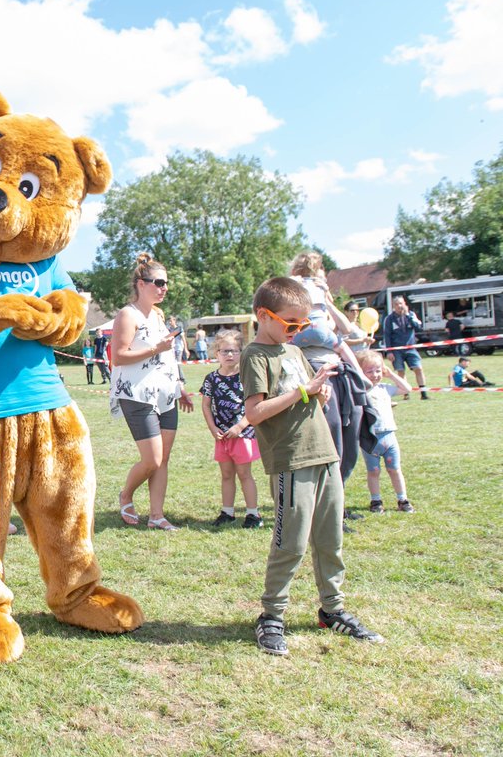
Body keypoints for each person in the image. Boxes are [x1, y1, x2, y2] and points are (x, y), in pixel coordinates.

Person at [242, 277, 384, 656]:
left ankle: (332, 609)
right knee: (290, 543)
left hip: (325, 455)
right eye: (291, 324)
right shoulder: (255, 355)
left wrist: (319, 393)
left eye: (302, 325)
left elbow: (309, 403)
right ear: (263, 316)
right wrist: (303, 391)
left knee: (330, 539)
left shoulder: (293, 352)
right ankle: (271, 616)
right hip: (291, 459)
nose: (297, 331)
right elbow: (254, 412)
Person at [110, 253, 194, 531]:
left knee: (163, 459)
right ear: (140, 284)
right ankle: (126, 494)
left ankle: (156, 515)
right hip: (136, 394)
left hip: (165, 394)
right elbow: (119, 357)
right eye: (158, 282)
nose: (164, 288)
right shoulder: (127, 314)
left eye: (166, 283)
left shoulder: (159, 315)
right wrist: (156, 349)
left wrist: (179, 386)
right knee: (152, 459)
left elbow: (168, 355)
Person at [200, 329, 262, 528]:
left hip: (243, 434)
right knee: (226, 475)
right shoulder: (211, 379)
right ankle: (227, 511)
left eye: (234, 351)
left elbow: (255, 405)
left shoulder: (247, 376)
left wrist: (241, 426)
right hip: (222, 436)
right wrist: (212, 429)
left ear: (241, 352)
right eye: (224, 351)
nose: (229, 355)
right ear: (216, 353)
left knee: (245, 474)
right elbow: (206, 405)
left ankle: (253, 514)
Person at [355, 351, 416, 513]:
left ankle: (402, 499)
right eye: (369, 371)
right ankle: (376, 500)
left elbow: (407, 388)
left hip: (389, 436)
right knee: (373, 471)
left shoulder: (385, 388)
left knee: (394, 469)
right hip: (370, 439)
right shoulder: (360, 391)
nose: (375, 375)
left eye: (378, 370)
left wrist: (391, 375)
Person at [383, 296, 429, 400]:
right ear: (393, 306)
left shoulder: (411, 315)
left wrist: (408, 315)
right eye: (397, 304)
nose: (399, 306)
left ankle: (424, 394)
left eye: (401, 303)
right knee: (401, 371)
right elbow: (387, 335)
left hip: (411, 348)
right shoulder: (389, 319)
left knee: (418, 368)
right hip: (396, 350)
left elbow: (418, 327)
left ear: (405, 304)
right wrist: (389, 351)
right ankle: (406, 393)